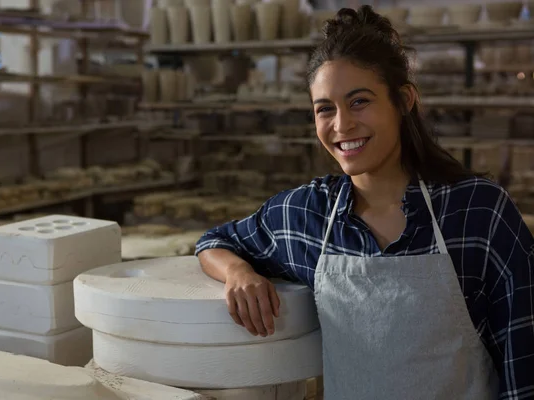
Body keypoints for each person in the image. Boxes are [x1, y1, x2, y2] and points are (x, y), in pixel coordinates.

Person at [195, 5, 534, 400]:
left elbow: (524, 366)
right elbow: (215, 241)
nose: (342, 125)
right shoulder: (309, 216)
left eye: (359, 102)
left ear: (404, 99)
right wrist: (239, 272)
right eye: (325, 109)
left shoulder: (478, 212)